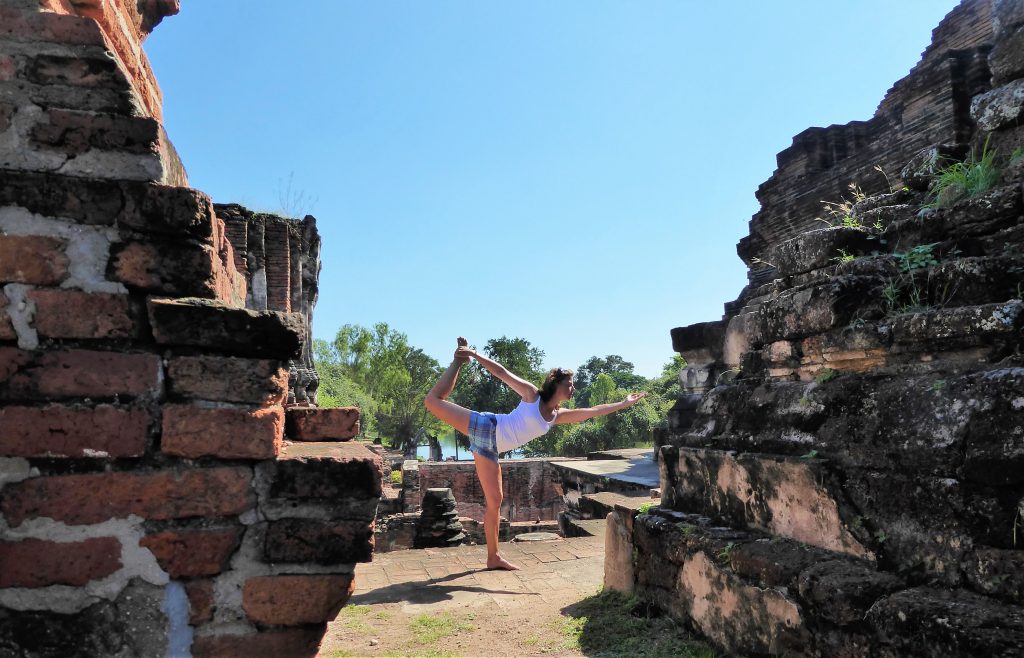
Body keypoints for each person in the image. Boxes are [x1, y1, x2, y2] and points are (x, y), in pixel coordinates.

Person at [424, 337, 647, 570]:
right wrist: (474, 354)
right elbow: (501, 372)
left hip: (490, 448)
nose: (573, 388)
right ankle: (458, 361)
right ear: (556, 384)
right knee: (432, 401)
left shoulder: (556, 417)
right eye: (569, 384)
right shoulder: (532, 395)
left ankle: (493, 557)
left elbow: (590, 412)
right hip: (486, 426)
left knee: (495, 501)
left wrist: (622, 404)